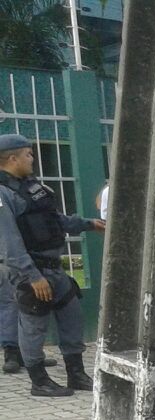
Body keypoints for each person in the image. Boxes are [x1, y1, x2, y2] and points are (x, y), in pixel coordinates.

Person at [0, 133, 105, 397]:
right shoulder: (3, 195)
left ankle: (76, 373)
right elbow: (9, 243)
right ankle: (39, 381)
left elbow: (54, 220)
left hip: (54, 268)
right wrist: (32, 276)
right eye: (28, 154)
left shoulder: (31, 187)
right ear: (12, 158)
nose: (32, 159)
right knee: (34, 325)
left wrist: (88, 224)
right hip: (30, 271)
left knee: (72, 317)